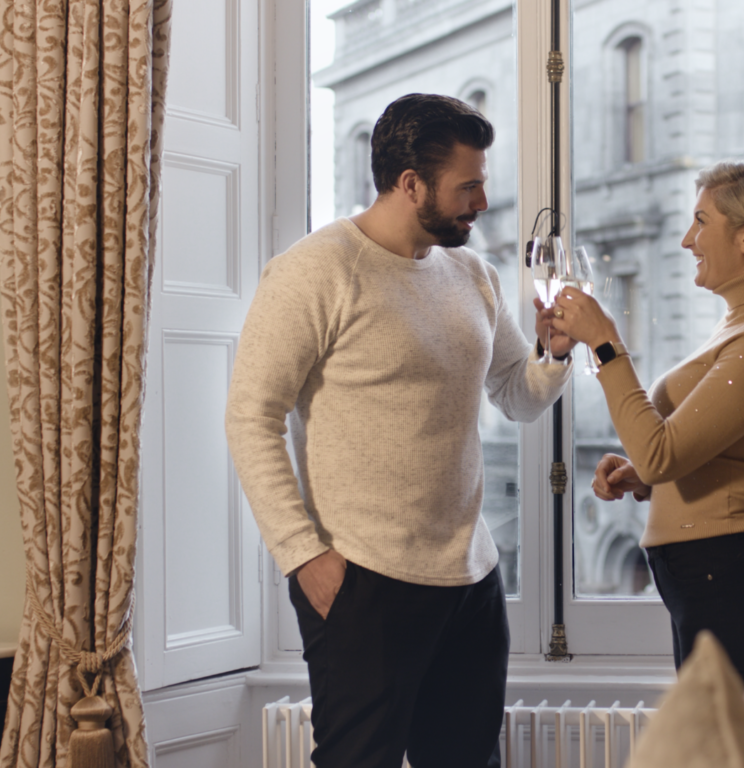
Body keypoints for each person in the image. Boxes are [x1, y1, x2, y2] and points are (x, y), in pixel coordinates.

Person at [225, 93, 574, 768]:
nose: (481, 200)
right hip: (363, 581)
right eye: (467, 185)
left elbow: (516, 396)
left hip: (471, 579)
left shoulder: (474, 273)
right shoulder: (313, 271)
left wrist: (554, 353)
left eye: (483, 181)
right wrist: (303, 556)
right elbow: (251, 415)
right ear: (409, 183)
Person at [550, 161, 744, 682]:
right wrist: (643, 476)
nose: (685, 240)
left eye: (701, 222)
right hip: (711, 572)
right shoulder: (743, 325)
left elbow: (663, 454)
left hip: (731, 572)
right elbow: (692, 454)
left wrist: (606, 342)